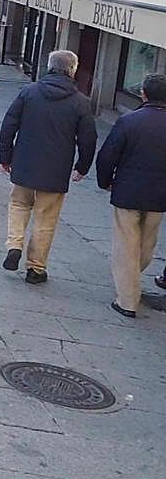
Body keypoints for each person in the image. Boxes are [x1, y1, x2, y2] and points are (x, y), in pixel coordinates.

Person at [0, 50, 97, 283]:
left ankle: (14, 245)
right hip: (56, 169)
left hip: (24, 162)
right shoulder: (81, 102)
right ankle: (36, 268)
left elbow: (9, 125)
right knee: (46, 218)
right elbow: (88, 139)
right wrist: (82, 166)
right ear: (72, 70)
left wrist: (5, 156)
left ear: (50, 67)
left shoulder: (29, 92)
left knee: (19, 204)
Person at [95, 73, 166, 317]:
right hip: (159, 196)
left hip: (128, 191)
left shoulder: (129, 121)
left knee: (126, 245)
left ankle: (127, 300)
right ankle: (131, 280)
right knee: (147, 244)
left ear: (144, 94)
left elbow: (107, 155)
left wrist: (105, 181)